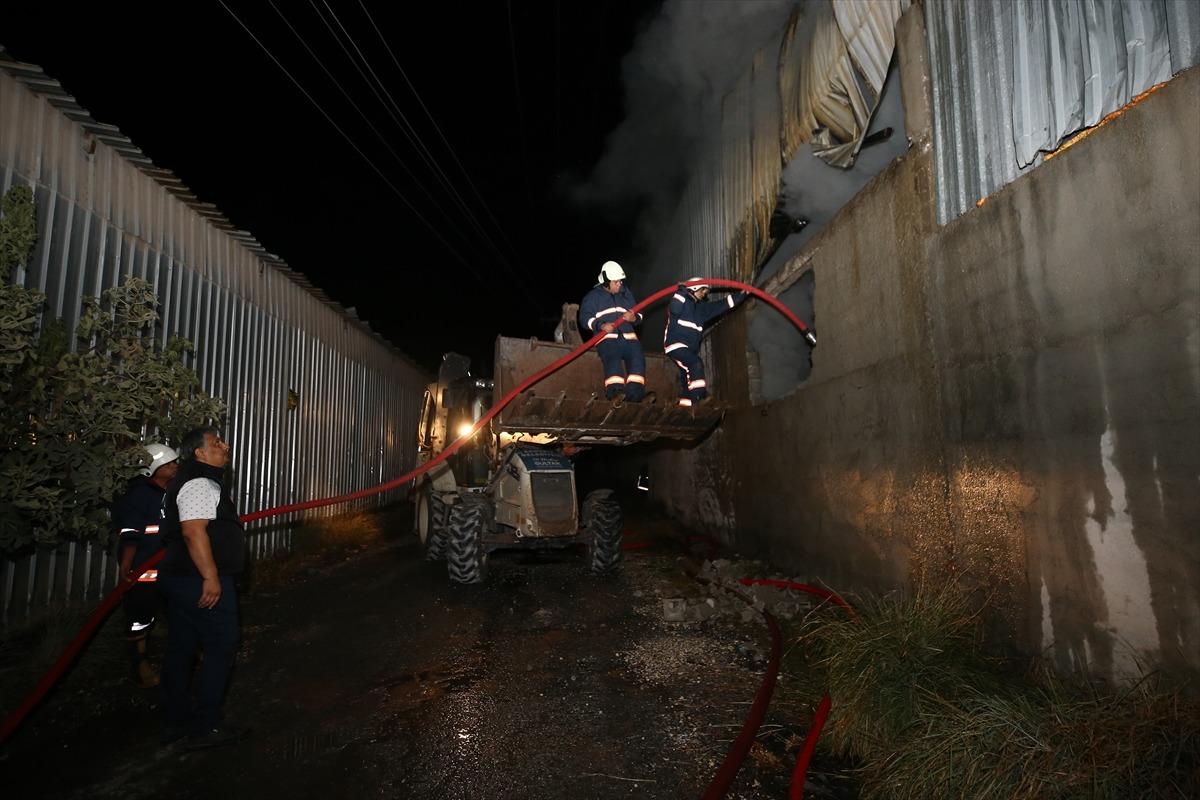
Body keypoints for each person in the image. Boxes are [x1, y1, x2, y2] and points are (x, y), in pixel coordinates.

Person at [158, 426, 248, 749]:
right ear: (199, 453)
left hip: (181, 580)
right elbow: (194, 533)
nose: (224, 446)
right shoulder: (198, 482)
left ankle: (176, 719)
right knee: (221, 646)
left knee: (182, 647)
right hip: (199, 580)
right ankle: (205, 726)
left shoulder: (190, 480)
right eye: (216, 443)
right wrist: (211, 577)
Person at [113, 443, 178, 688]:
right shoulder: (139, 495)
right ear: (152, 468)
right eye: (169, 464)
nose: (174, 466)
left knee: (180, 612)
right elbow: (130, 532)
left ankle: (191, 653)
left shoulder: (170, 492)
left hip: (170, 568)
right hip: (144, 571)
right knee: (140, 619)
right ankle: (140, 665)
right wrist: (128, 567)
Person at [663, 278, 746, 407]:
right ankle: (699, 397)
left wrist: (742, 294)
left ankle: (683, 404)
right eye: (703, 290)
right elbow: (674, 309)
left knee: (687, 378)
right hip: (676, 345)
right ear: (695, 288)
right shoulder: (680, 300)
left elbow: (722, 305)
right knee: (695, 363)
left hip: (689, 349)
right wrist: (681, 291)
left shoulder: (702, 309)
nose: (704, 294)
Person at [579, 260, 647, 402]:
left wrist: (634, 318)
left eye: (620, 281)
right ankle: (615, 393)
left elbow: (640, 312)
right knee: (612, 358)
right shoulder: (592, 298)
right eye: (616, 282)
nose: (620, 284)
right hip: (607, 339)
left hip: (629, 338)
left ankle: (635, 394)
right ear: (605, 282)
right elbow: (584, 318)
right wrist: (601, 325)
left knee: (638, 358)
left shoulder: (626, 294)